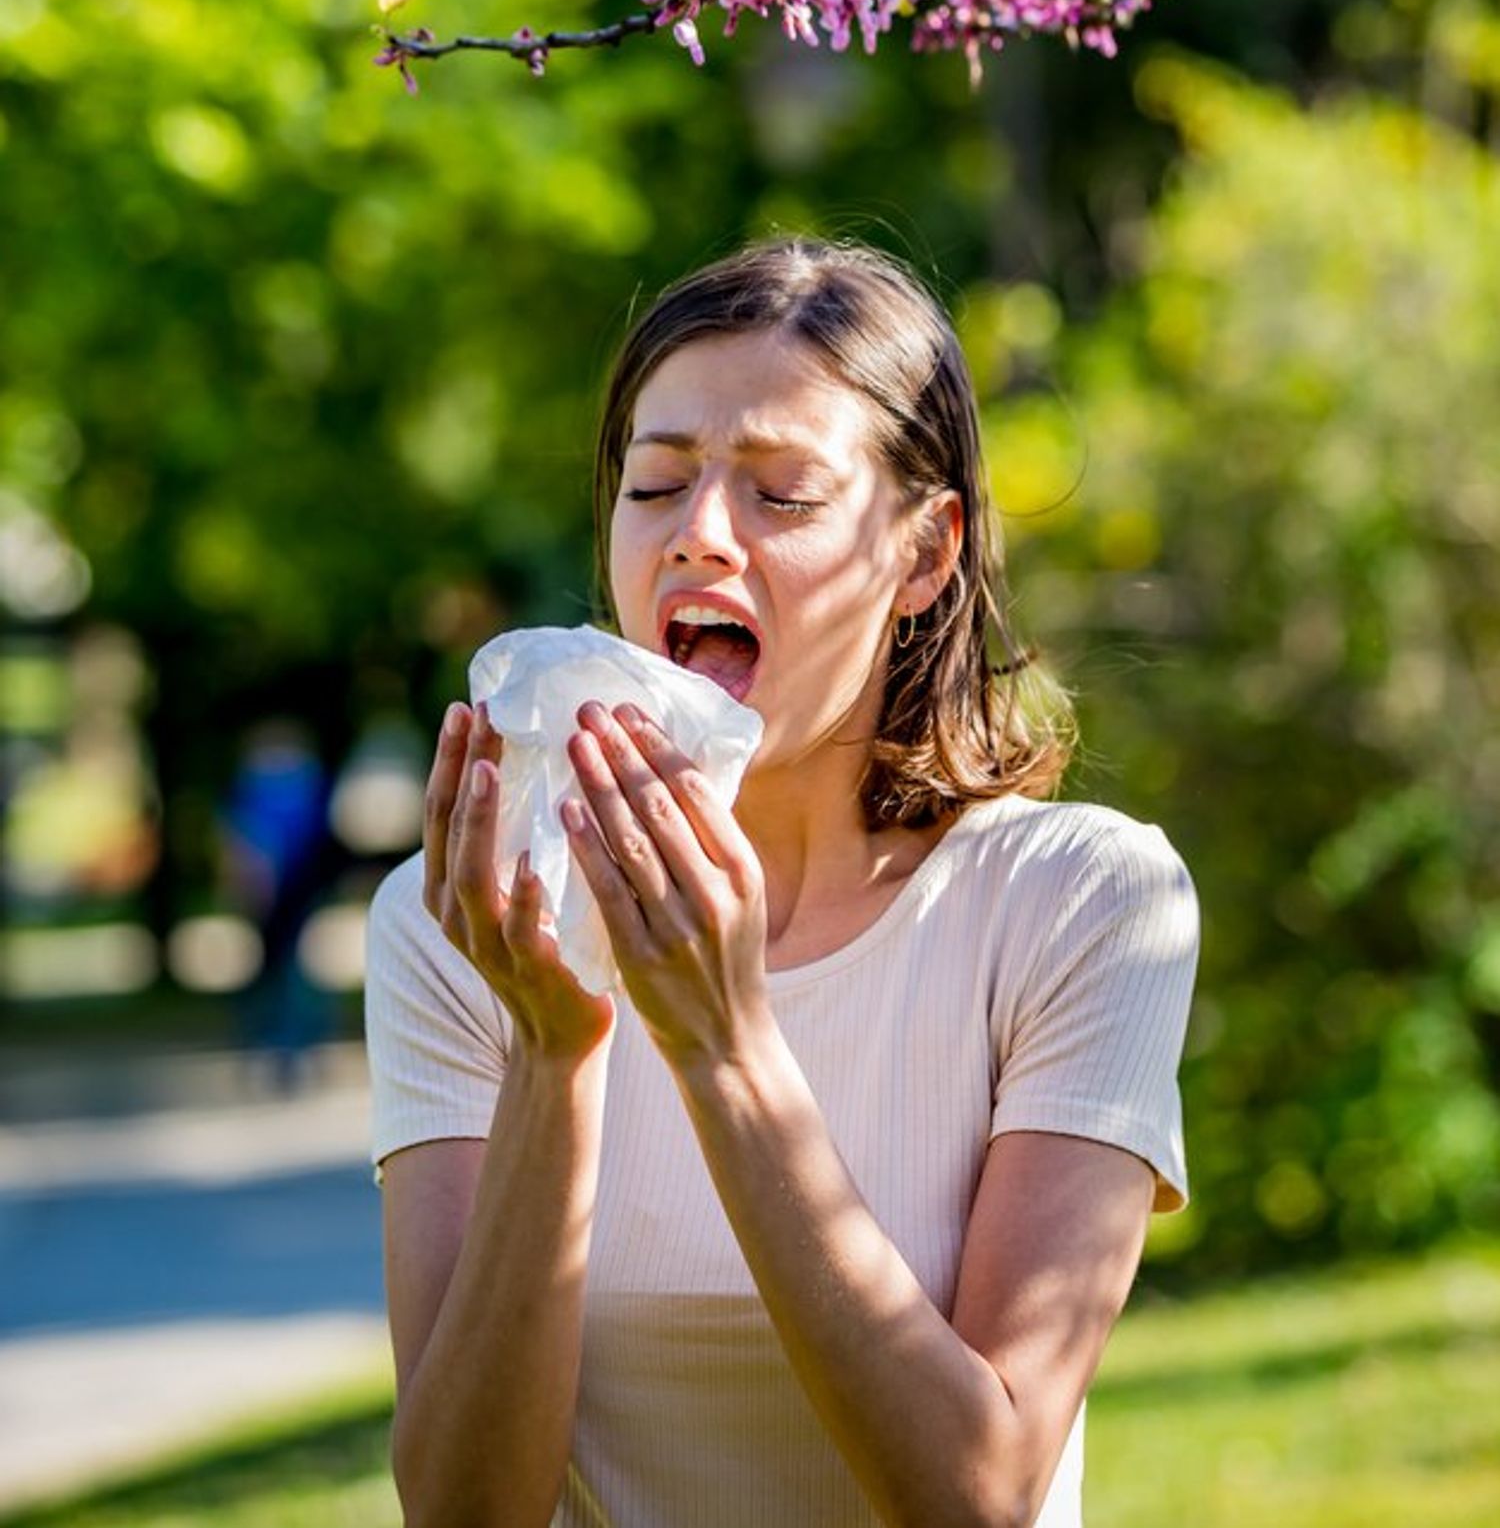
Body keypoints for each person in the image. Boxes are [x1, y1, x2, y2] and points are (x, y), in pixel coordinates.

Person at [365, 237, 1199, 1528]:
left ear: (924, 557)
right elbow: (464, 1514)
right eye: (655, 484)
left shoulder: (1082, 907)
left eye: (783, 497)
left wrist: (725, 1043)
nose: (698, 537)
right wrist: (554, 1048)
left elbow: (977, 1498)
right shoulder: (462, 927)